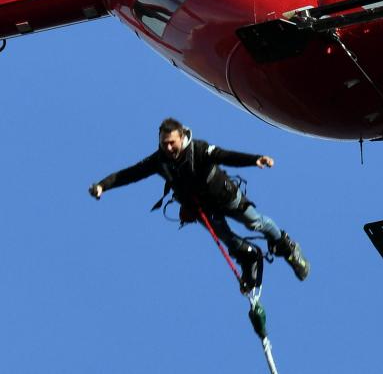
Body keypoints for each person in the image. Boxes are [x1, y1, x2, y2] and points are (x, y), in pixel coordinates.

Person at [89, 118, 309, 293]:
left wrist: (255, 159)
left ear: (182, 137)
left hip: (224, 196)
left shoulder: (200, 150)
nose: (168, 147)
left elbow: (226, 155)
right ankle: (250, 256)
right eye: (164, 143)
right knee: (227, 238)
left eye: (171, 142)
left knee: (255, 222)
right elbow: (130, 174)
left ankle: (284, 244)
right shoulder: (159, 161)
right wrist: (102, 186)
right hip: (205, 208)